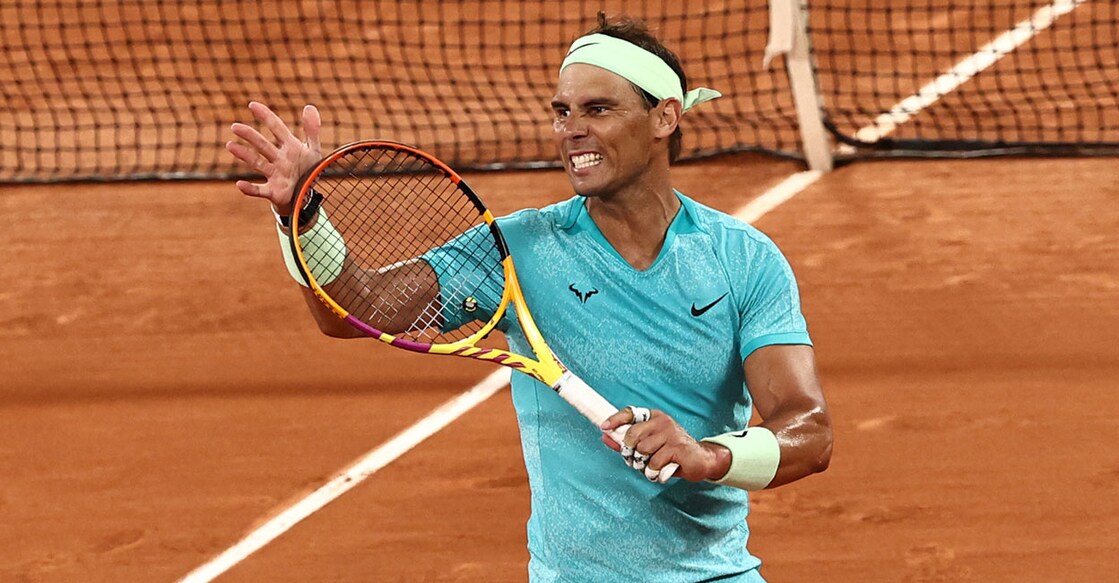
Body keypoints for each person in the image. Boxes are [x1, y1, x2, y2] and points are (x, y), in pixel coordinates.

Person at [227, 14, 832, 583]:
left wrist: (708, 456)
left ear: (664, 117)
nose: (572, 130)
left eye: (598, 109)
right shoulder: (519, 249)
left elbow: (808, 432)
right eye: (562, 112)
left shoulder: (743, 259)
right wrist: (303, 214)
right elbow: (357, 308)